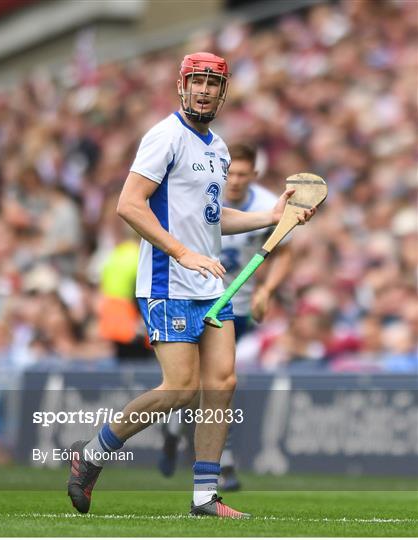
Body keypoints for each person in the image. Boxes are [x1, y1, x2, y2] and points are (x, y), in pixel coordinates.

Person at [67, 51, 315, 518]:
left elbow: (213, 217)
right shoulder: (165, 136)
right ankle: (93, 453)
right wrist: (183, 252)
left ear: (223, 92)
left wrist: (273, 216)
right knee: (181, 388)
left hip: (209, 287)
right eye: (196, 80)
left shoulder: (218, 148)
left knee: (221, 383)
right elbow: (129, 204)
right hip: (167, 281)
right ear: (182, 86)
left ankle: (204, 496)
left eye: (212, 83)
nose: (203, 89)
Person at [157, 143, 293, 490]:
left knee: (213, 386)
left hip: (240, 306)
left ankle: (175, 429)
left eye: (242, 175)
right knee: (212, 384)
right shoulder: (207, 192)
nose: (234, 180)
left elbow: (284, 253)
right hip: (199, 297)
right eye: (230, 172)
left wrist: (266, 290)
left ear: (254, 176)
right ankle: (223, 466)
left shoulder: (265, 205)